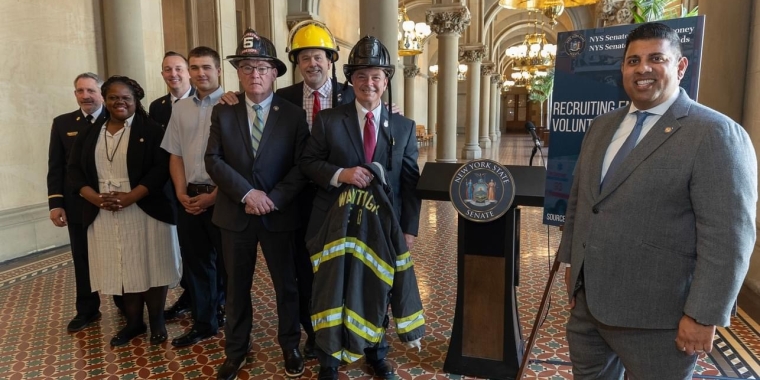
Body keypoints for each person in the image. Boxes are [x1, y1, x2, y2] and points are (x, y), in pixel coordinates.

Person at [558, 22, 757, 379]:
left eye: (656, 58)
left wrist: (702, 315)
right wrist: (573, 264)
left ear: (680, 67)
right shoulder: (602, 127)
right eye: (633, 60)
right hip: (589, 308)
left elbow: (729, 237)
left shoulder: (714, 133)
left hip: (659, 320)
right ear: (622, 69)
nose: (642, 68)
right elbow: (582, 202)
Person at [299, 35, 422, 380]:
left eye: (377, 76)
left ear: (386, 81)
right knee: (330, 289)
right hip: (333, 225)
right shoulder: (329, 120)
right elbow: (308, 162)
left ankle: (376, 353)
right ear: (350, 80)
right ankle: (329, 361)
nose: (370, 83)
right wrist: (342, 174)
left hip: (382, 228)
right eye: (362, 76)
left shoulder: (404, 127)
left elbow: (410, 183)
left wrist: (409, 229)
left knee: (377, 287)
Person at [205, 29, 309, 380]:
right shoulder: (224, 112)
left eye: (262, 67)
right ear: (238, 72)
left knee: (287, 285)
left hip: (279, 215)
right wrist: (248, 194)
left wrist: (273, 198)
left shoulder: (293, 115)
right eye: (247, 67)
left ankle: (290, 346)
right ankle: (235, 351)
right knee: (236, 288)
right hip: (235, 215)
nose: (255, 74)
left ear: (275, 72)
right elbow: (214, 161)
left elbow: (301, 166)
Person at [68, 76, 181, 347]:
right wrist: (93, 197)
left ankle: (156, 322)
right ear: (105, 101)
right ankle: (133, 323)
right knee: (122, 268)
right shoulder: (91, 132)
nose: (120, 102)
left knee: (151, 266)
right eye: (113, 98)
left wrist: (132, 195)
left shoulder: (152, 130)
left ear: (136, 100)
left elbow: (161, 169)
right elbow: (73, 170)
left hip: (145, 208)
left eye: (126, 98)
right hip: (104, 210)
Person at [160, 46, 227, 348]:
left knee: (228, 265)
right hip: (189, 197)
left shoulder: (232, 105)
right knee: (196, 264)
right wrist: (180, 192)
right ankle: (204, 323)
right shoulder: (181, 109)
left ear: (218, 71)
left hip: (224, 198)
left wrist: (215, 195)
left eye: (207, 68)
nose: (201, 73)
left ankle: (234, 322)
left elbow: (242, 161)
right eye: (195, 67)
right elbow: (175, 154)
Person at [47, 72, 115, 332]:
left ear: (101, 93)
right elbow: (56, 167)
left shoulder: (117, 119)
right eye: (80, 91)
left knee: (115, 254)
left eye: (90, 90)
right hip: (77, 205)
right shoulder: (63, 123)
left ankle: (124, 304)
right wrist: (56, 203)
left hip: (111, 202)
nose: (85, 96)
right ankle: (87, 309)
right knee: (82, 258)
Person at [149, 51, 195, 129]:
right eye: (168, 70)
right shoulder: (156, 107)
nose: (173, 74)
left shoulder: (205, 101)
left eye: (178, 69)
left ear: (189, 73)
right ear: (162, 74)